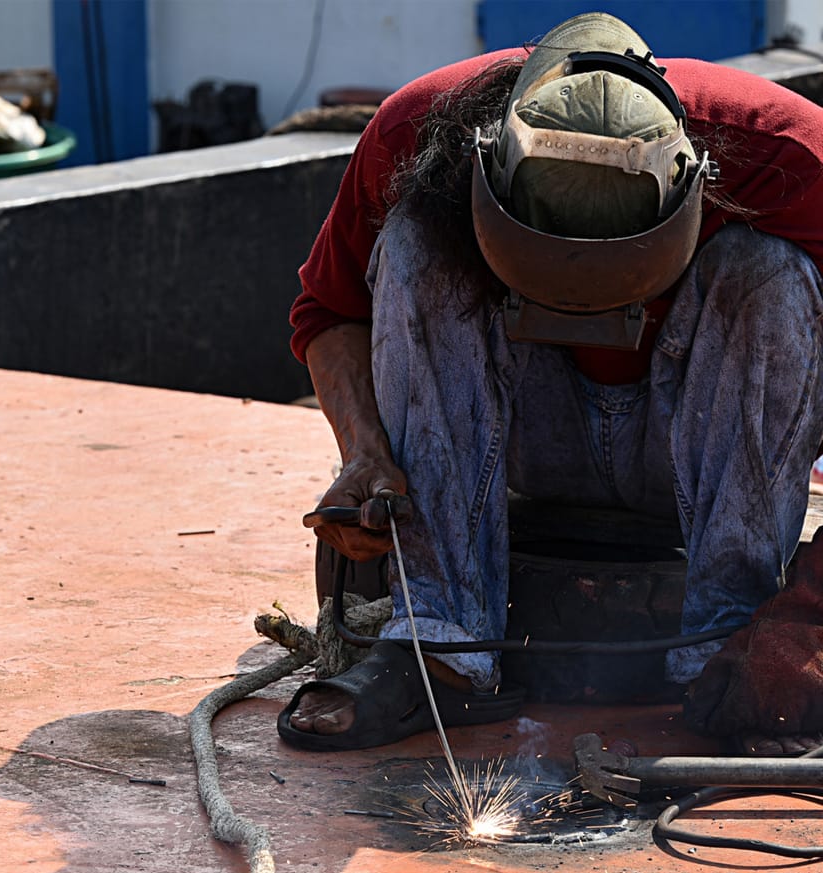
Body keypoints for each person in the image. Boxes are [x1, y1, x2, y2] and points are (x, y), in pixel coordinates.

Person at [276, 12, 823, 756]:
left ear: (696, 182)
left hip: (693, 442)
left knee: (771, 274)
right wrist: (364, 454)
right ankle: (443, 645)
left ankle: (722, 645)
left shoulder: (790, 154)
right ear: (486, 169)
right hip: (524, 434)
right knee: (416, 242)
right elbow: (331, 311)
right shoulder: (417, 132)